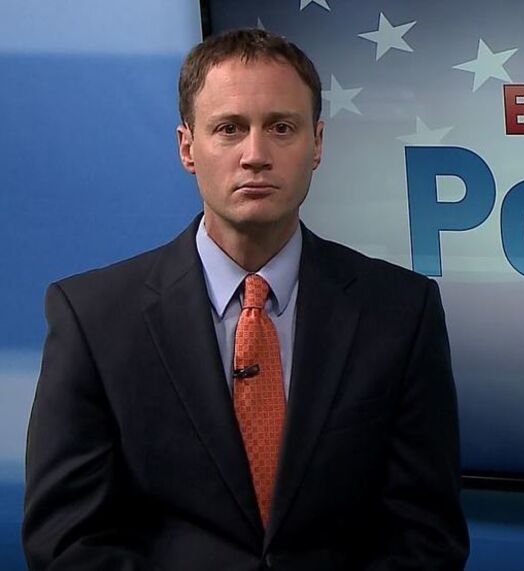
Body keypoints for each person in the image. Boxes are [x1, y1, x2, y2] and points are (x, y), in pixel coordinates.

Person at [22, 28, 468, 570]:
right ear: (187, 147)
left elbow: (426, 536)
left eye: (281, 127)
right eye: (229, 128)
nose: (255, 155)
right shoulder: (93, 318)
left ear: (317, 144)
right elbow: (67, 540)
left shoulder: (401, 312)